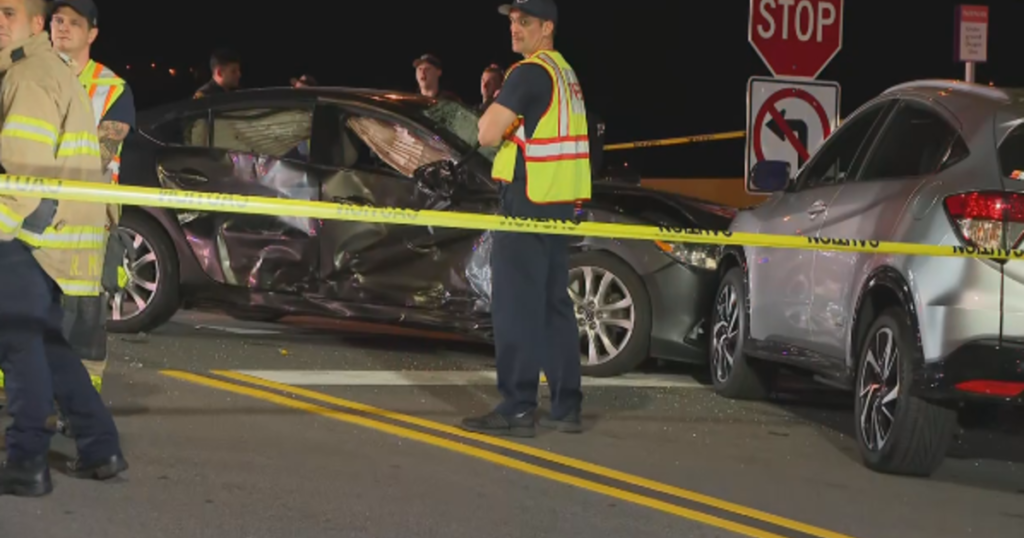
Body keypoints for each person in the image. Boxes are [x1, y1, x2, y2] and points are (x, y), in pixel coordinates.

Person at [0, 0, 127, 497]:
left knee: (20, 341)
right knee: (47, 342)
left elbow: (23, 177)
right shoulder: (33, 69)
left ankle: (28, 460)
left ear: (35, 24)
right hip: (54, 234)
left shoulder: (28, 77)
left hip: (29, 235)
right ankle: (100, 446)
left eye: (8, 12)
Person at [460, 0, 590, 437]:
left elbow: (486, 132)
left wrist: (503, 116)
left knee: (515, 307)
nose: (515, 29)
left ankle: (517, 407)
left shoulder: (530, 73)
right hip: (555, 205)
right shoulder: (566, 74)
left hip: (526, 204)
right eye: (513, 21)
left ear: (547, 27)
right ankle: (567, 405)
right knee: (554, 305)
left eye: (525, 22)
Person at [48, 0, 135, 422]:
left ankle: (80, 409)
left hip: (88, 217)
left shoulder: (111, 88)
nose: (62, 28)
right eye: (57, 20)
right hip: (35, 210)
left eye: (73, 23)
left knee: (83, 314)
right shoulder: (30, 77)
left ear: (92, 33)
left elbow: (102, 155)